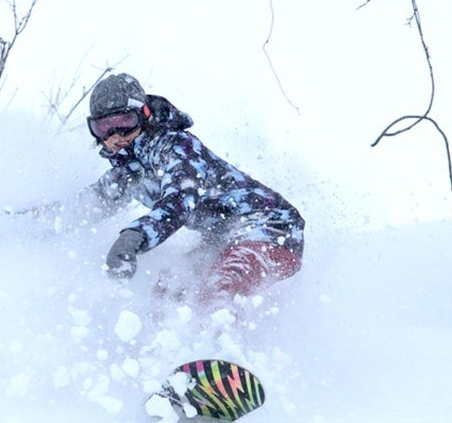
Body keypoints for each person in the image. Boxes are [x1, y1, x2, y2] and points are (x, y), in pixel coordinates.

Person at [79, 72, 304, 308]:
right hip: (221, 241)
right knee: (170, 292)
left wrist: (134, 236)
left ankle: (220, 329)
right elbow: (84, 207)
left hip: (271, 228)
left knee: (218, 291)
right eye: (103, 127)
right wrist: (48, 225)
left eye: (125, 121)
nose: (116, 135)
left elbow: (179, 201)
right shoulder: (128, 173)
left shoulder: (177, 147)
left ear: (144, 114)